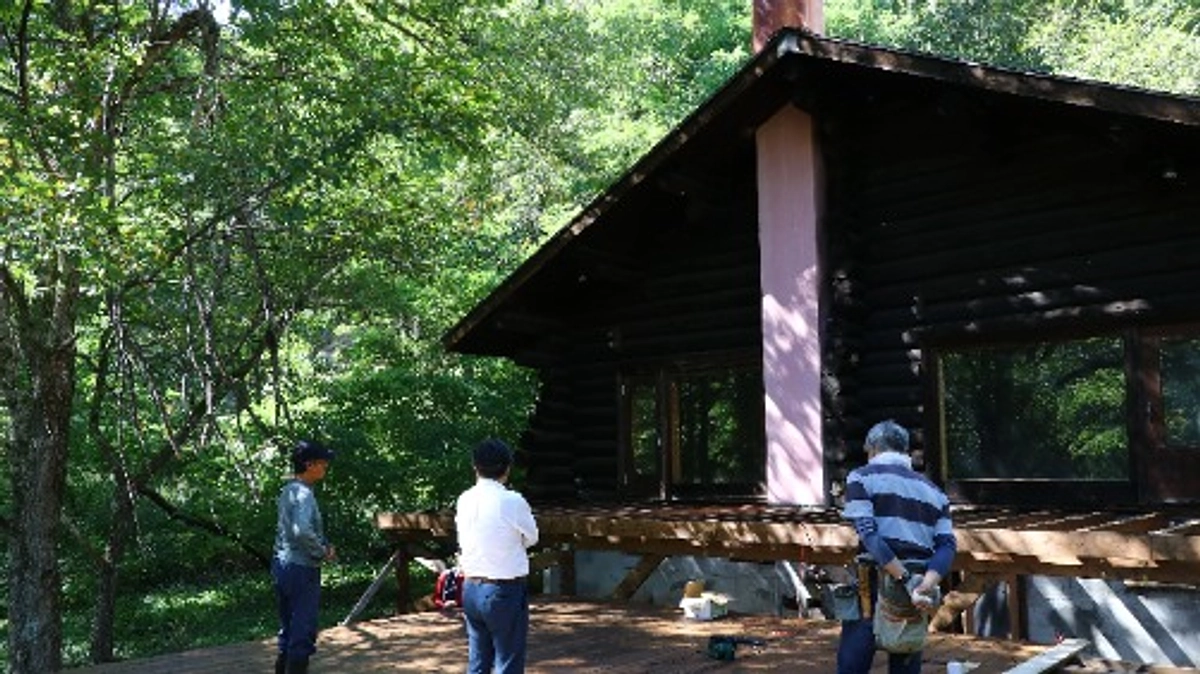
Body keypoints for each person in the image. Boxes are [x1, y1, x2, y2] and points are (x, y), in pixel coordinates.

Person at [836, 420, 956, 674]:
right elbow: (947, 546)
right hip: (916, 594)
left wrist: (904, 578)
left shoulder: (861, 477)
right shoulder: (934, 491)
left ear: (872, 449)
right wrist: (925, 584)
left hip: (874, 587)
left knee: (852, 666)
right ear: (905, 451)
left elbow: (869, 535)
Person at [455, 438, 539, 674]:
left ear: (475, 466)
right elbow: (532, 537)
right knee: (508, 662)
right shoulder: (513, 501)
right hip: (504, 590)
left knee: (478, 660)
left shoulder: (464, 499)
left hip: (471, 588)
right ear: (507, 468)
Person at [272, 439, 337, 674]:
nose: (326, 467)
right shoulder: (303, 494)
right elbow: (301, 531)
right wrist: (322, 551)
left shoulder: (288, 490)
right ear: (310, 464)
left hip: (282, 564)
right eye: (323, 463)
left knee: (288, 627)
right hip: (301, 569)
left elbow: (291, 530)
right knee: (302, 630)